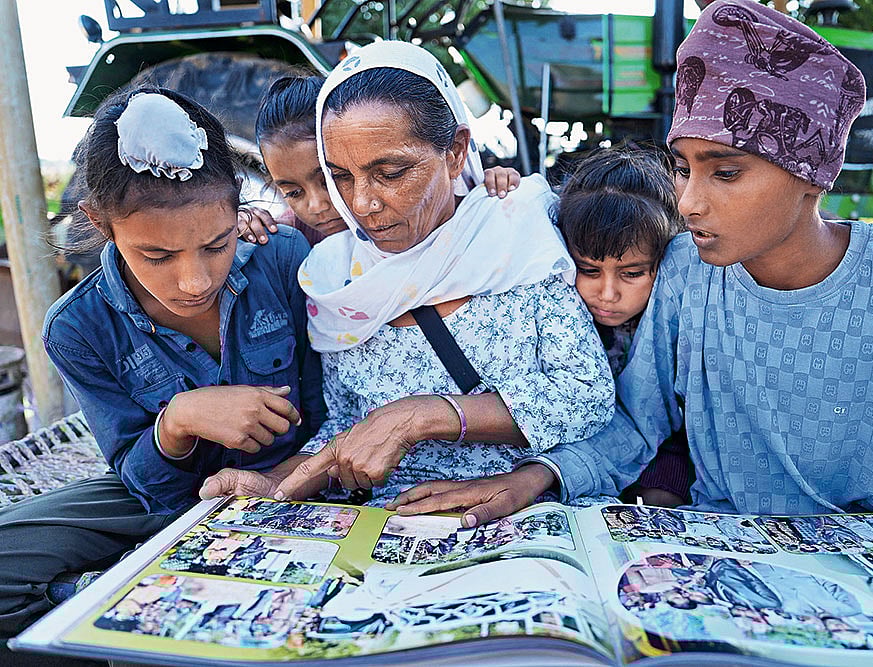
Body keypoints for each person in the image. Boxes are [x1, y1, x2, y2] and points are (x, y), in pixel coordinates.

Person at [390, 0, 873, 542]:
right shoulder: (687, 269)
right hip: (709, 553)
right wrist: (530, 481)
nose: (687, 203)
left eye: (725, 172)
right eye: (682, 168)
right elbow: (635, 423)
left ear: (813, 174)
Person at [202, 40, 615, 514]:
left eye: (391, 172)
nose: (361, 204)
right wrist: (274, 482)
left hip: (527, 514)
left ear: (456, 152)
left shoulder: (517, 237)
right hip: (395, 525)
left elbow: (587, 396)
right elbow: (348, 427)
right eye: (340, 175)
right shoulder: (336, 277)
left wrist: (424, 415)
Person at [0, 87, 324, 660]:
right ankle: (98, 592)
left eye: (216, 244)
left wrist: (288, 476)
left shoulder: (281, 257)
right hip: (170, 502)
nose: (195, 280)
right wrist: (178, 423)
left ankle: (114, 590)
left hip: (304, 479)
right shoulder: (77, 327)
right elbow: (145, 484)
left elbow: (336, 405)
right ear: (101, 224)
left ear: (239, 207)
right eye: (157, 257)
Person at [553, 143, 689, 506]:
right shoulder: (557, 317)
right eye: (588, 270)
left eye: (631, 273)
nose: (607, 293)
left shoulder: (680, 318)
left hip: (664, 449)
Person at [238, 74, 521, 247]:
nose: (317, 207)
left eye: (333, 178)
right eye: (293, 192)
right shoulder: (291, 239)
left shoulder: (440, 213)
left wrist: (492, 184)